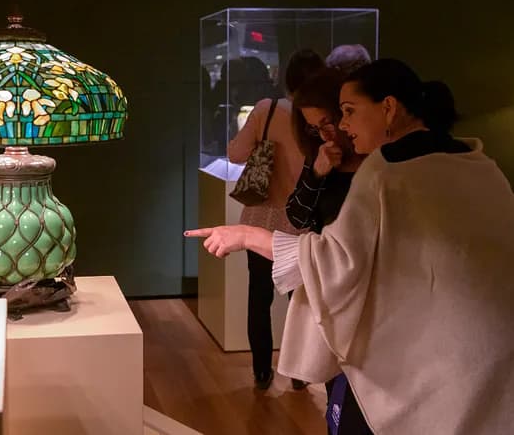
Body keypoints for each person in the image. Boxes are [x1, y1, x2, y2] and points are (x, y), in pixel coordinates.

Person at [187, 59, 514, 434]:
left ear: (388, 107)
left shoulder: (384, 172)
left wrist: (248, 236)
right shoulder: (482, 165)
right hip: (492, 357)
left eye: (348, 112)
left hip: (425, 362)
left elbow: (335, 261)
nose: (342, 126)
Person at [225, 48, 325, 390]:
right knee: (299, 299)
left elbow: (235, 153)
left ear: (285, 78)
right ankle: (299, 373)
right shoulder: (323, 118)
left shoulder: (267, 110)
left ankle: (262, 371)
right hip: (304, 218)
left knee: (259, 295)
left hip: (261, 218)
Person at [284, 68, 370, 433]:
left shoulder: (375, 162)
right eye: (315, 127)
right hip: (327, 285)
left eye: (329, 120)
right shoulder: (321, 157)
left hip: (364, 289)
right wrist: (316, 172)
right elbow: (296, 215)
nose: (326, 132)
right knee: (333, 386)